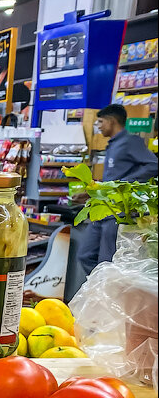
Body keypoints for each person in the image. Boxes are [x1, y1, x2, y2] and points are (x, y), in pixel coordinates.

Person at [77, 104, 158, 274]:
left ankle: (105, 296)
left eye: (100, 122)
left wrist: (122, 185)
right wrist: (95, 190)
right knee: (85, 255)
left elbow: (153, 164)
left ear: (112, 121)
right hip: (104, 209)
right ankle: (98, 289)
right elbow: (114, 177)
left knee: (107, 262)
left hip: (118, 213)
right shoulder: (113, 144)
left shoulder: (130, 141)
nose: (98, 126)